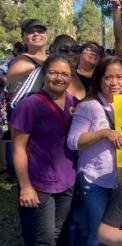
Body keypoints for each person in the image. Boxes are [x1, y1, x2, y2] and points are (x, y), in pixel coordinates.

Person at [11, 54, 76, 245]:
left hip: (67, 182)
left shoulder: (73, 102)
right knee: (43, 240)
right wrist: (25, 187)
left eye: (65, 74)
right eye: (54, 73)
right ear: (44, 75)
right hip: (38, 185)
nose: (59, 78)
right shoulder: (29, 106)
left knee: (59, 234)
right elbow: (18, 148)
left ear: (71, 78)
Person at [67, 56, 122, 246]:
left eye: (119, 77)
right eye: (108, 77)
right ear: (99, 79)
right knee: (100, 229)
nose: (114, 82)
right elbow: (72, 141)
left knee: (119, 229)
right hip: (95, 180)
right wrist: (103, 133)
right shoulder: (88, 106)